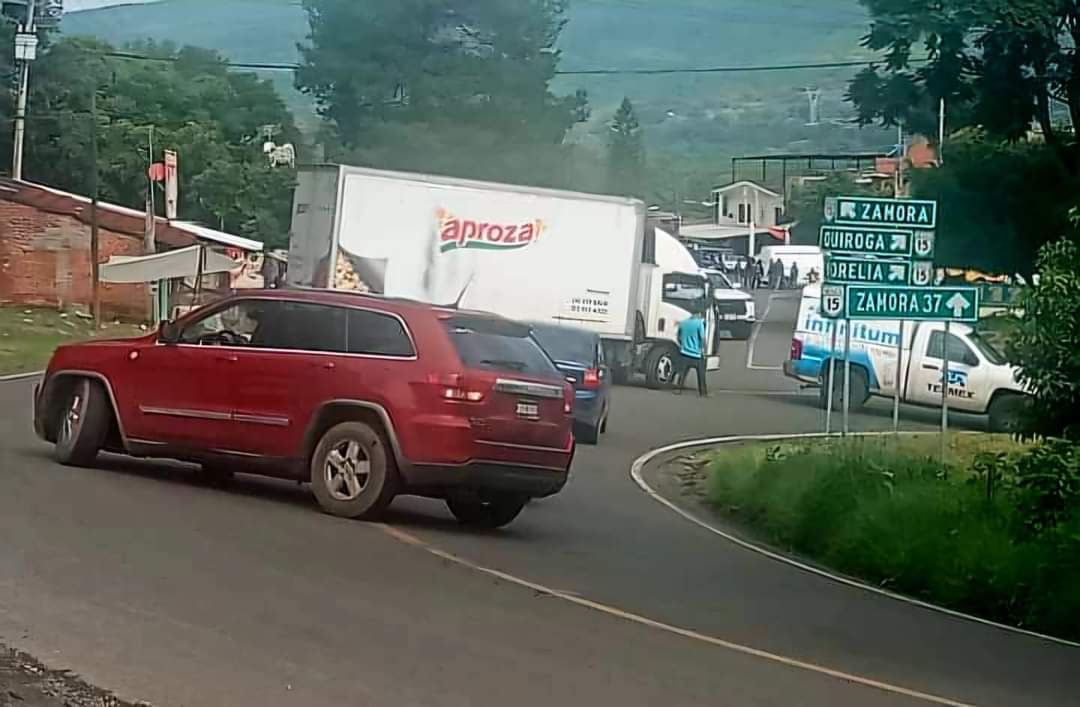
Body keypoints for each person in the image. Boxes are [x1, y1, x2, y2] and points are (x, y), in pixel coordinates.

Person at [674, 309, 708, 397]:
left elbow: (678, 337)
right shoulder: (699, 323)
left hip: (684, 352)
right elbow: (703, 339)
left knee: (682, 373)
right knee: (701, 374)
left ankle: (678, 389)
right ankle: (703, 393)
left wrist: (683, 345)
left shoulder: (683, 323)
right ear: (699, 314)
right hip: (696, 354)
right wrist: (704, 350)